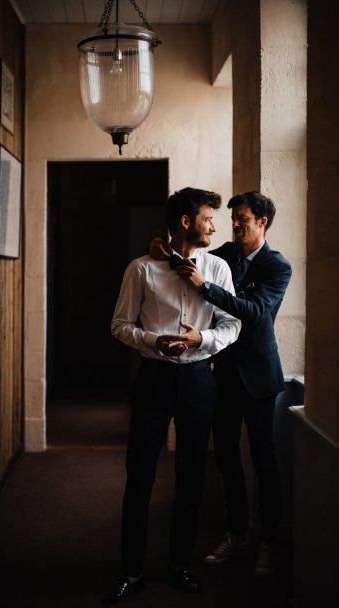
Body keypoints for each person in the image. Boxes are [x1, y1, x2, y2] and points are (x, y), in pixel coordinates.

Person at [102, 188, 241, 605]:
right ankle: (132, 571)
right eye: (208, 218)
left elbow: (233, 325)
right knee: (140, 476)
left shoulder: (217, 268)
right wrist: (153, 342)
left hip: (200, 381)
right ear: (185, 221)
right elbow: (120, 325)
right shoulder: (140, 270)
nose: (215, 225)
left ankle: (180, 565)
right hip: (154, 380)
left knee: (192, 479)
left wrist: (204, 338)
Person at [149, 191, 292, 578]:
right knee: (226, 459)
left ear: (262, 221)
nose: (234, 224)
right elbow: (187, 255)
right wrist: (159, 246)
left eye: (243, 218)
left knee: (264, 463)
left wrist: (206, 288)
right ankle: (237, 532)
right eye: (232, 218)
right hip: (222, 374)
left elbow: (255, 313)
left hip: (260, 377)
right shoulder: (225, 253)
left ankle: (268, 544)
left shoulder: (278, 267)